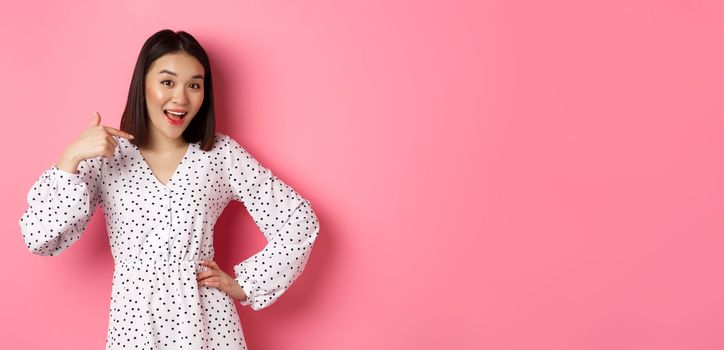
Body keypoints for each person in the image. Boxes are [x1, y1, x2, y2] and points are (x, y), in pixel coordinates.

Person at [18, 29, 320, 350]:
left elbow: (298, 221)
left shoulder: (220, 155)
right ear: (142, 84)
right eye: (167, 82)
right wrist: (70, 158)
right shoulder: (108, 155)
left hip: (208, 324)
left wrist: (247, 284)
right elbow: (39, 238)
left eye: (194, 85)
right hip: (134, 324)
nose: (181, 98)